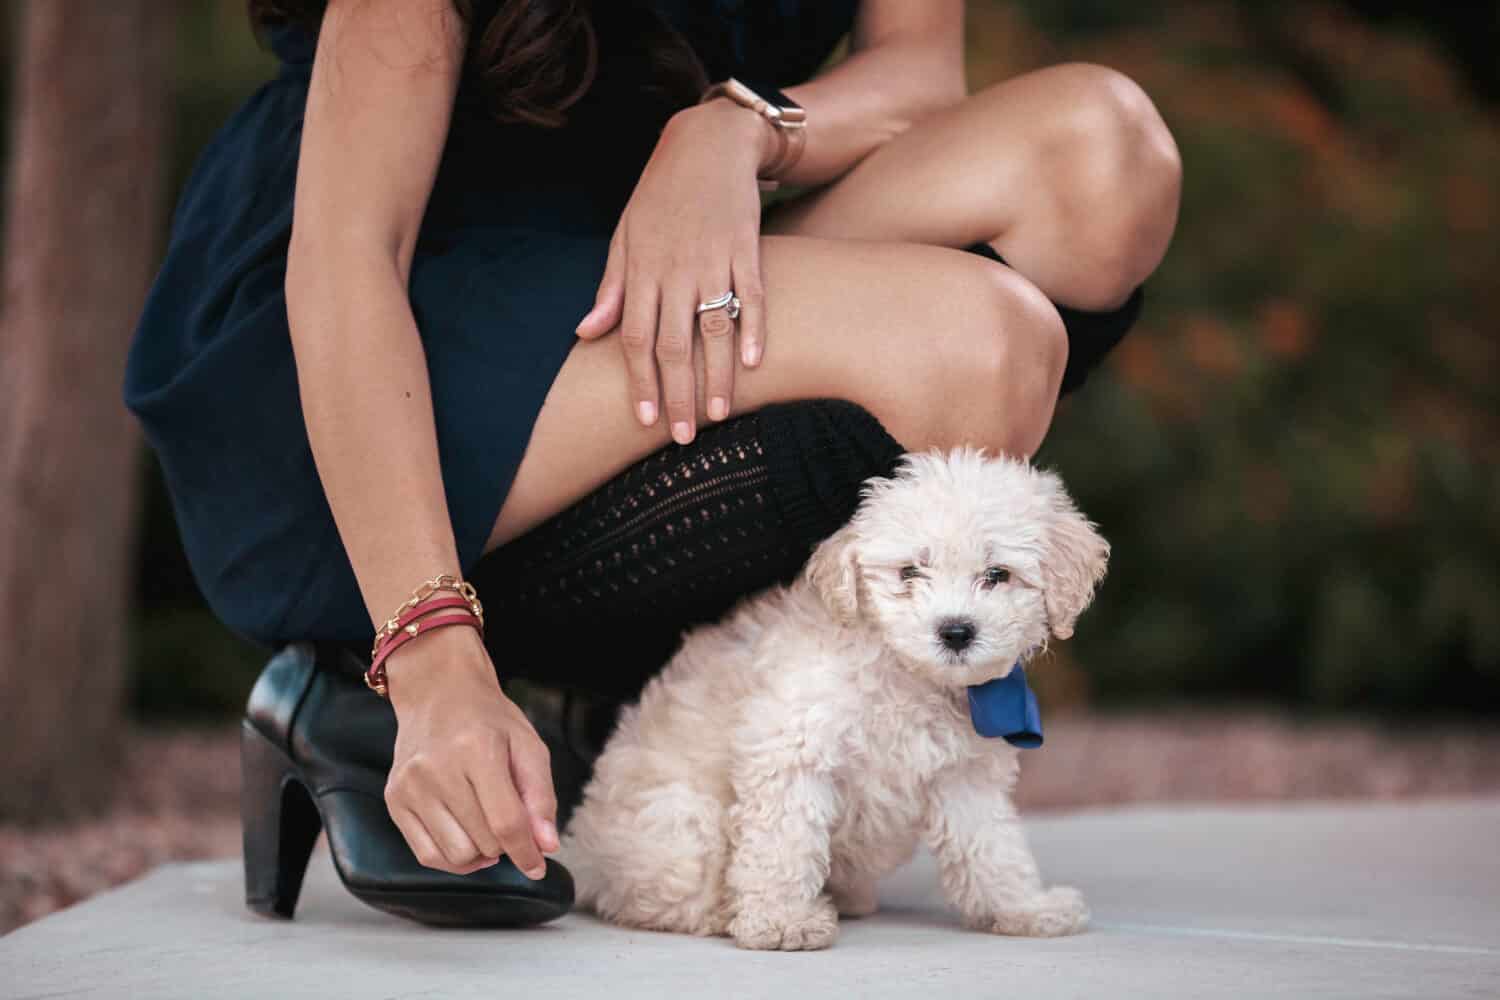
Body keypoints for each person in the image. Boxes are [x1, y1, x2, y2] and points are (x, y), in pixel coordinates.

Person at [123, 0, 1180, 928]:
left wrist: (736, 129)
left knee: (1104, 156)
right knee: (983, 349)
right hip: (390, 309)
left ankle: (636, 685)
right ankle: (394, 659)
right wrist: (432, 660)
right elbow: (351, 258)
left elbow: (918, 77)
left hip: (649, 241)